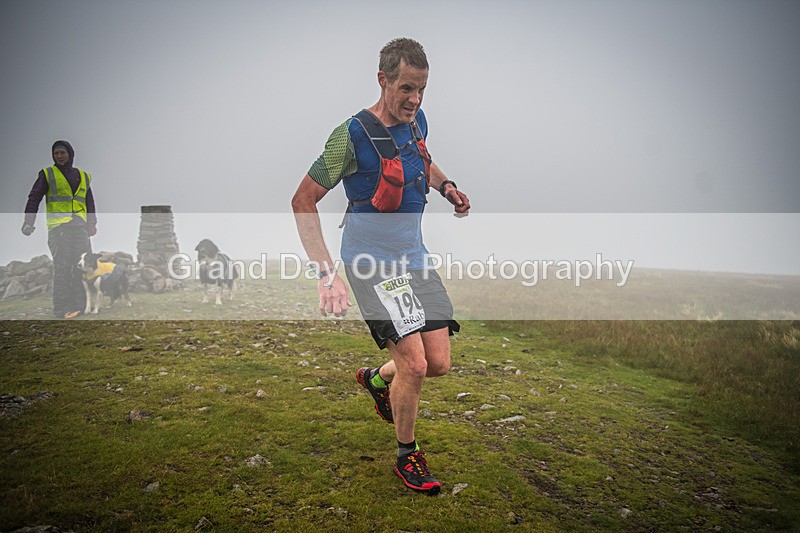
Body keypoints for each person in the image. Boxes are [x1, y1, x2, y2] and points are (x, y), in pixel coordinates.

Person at [291, 38, 470, 494]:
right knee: (412, 364)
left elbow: (422, 161)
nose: (415, 100)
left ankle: (375, 379)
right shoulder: (349, 135)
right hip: (372, 263)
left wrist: (447, 186)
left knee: (438, 362)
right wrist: (326, 274)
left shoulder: (417, 121)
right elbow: (303, 200)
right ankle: (407, 456)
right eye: (406, 88)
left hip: (415, 257)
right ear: (383, 80)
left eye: (422, 90)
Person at [22, 140, 97, 319]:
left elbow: (89, 202)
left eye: (62, 153)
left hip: (80, 229)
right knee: (62, 268)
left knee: (80, 268)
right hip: (59, 230)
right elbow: (34, 197)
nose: (59, 156)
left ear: (70, 154)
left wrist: (92, 224)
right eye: (56, 153)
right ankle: (61, 309)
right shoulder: (47, 174)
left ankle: (79, 306)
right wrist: (28, 221)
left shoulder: (83, 176)